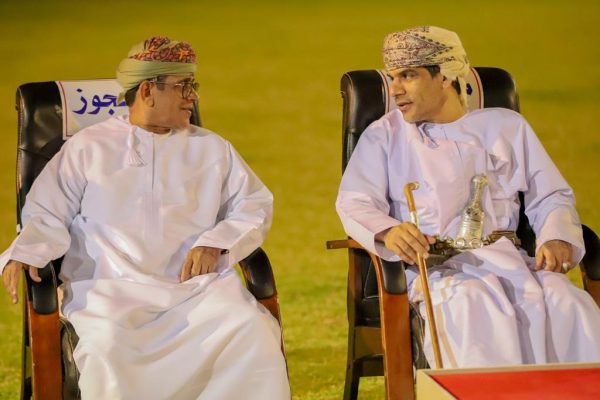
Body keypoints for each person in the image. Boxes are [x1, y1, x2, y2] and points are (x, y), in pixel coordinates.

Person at [1, 36, 290, 399]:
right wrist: (27, 251)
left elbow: (254, 204)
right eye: (183, 86)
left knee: (251, 331)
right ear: (149, 91)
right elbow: (46, 211)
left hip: (196, 292)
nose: (193, 97)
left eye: (193, 86)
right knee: (108, 348)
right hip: (109, 291)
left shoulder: (212, 148)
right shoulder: (88, 147)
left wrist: (216, 243)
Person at [336, 26, 600, 368]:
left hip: (513, 262)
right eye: (392, 77)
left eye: (408, 75)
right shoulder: (384, 136)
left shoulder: (505, 127)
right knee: (472, 307)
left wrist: (557, 236)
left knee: (568, 304)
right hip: (438, 271)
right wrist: (389, 231)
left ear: (445, 76)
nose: (396, 89)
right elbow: (354, 201)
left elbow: (550, 194)